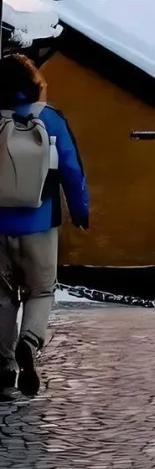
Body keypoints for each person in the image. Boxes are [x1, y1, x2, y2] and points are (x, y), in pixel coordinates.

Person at [0, 52, 89, 399]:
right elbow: (71, 169)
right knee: (40, 290)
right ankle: (30, 340)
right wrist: (80, 211)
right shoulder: (50, 119)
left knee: (3, 297)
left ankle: (4, 366)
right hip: (40, 222)